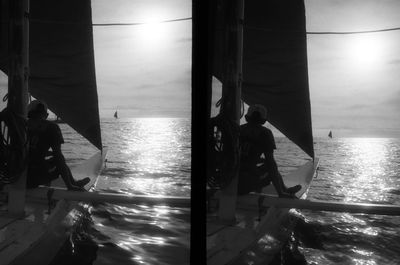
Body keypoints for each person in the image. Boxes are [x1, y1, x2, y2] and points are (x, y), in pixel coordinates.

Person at [238, 104, 301, 198]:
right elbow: (271, 163)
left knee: (267, 165)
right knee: (270, 165)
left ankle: (285, 189)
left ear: (247, 117)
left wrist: (259, 160)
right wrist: (280, 193)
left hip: (226, 182)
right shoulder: (265, 133)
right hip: (242, 186)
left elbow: (242, 157)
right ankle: (283, 191)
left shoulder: (237, 130)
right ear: (264, 121)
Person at [26, 100, 89, 191]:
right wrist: (69, 186)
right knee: (58, 159)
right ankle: (71, 184)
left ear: (29, 113)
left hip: (15, 178)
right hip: (33, 180)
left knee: (55, 158)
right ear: (46, 115)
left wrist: (47, 153)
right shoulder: (51, 127)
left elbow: (31, 150)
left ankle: (73, 182)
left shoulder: (21, 126)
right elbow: (58, 156)